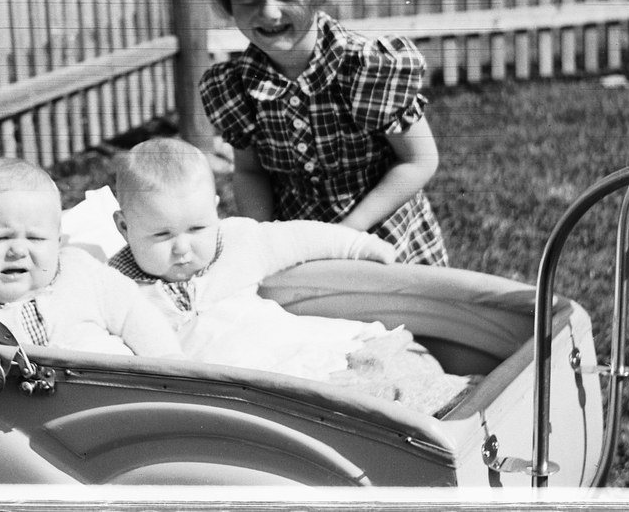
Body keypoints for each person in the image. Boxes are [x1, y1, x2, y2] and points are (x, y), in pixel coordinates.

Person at [169, 0, 447, 266]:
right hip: (302, 255)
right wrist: (263, 246)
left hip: (387, 246)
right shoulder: (236, 87)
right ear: (229, 2)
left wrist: (344, 235)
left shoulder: (365, 67)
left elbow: (419, 160)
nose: (269, 12)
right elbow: (250, 172)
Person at [107, 138, 472, 416]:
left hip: (297, 346)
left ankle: (463, 395)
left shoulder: (235, 241)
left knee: (384, 359)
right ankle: (446, 414)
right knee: (360, 406)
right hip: (262, 384)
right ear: (124, 227)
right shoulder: (116, 287)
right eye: (161, 236)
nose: (182, 249)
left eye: (197, 227)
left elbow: (297, 238)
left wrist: (359, 245)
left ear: (215, 211)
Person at [0, 157, 183, 358]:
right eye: (0, 238)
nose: (18, 250)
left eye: (35, 238)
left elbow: (134, 314)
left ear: (57, 243)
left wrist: (170, 365)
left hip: (115, 398)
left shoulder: (82, 273)